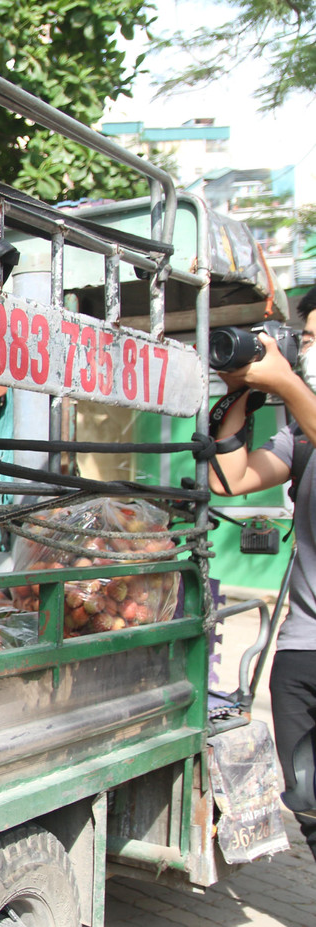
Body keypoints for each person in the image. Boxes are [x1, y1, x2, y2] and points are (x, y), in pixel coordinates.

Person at [209, 287, 316, 863]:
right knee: (308, 802)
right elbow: (230, 479)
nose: (308, 350)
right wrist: (241, 396)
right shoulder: (301, 433)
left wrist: (289, 385)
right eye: (308, 339)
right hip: (303, 649)